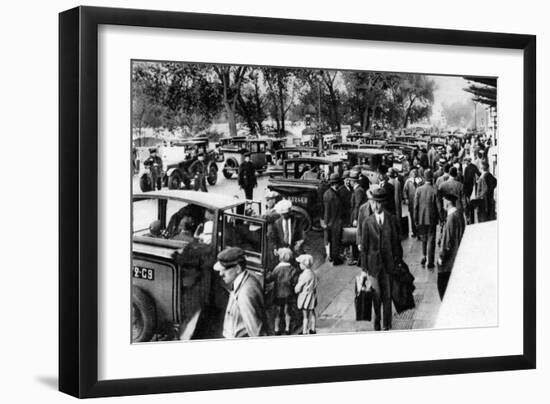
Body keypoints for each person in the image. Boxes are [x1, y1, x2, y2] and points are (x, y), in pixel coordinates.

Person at [359, 187, 402, 331]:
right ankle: (377, 323)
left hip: (389, 266)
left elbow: (396, 243)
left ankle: (387, 326)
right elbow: (364, 249)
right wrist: (364, 270)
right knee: (376, 297)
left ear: (383, 203)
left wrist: (398, 263)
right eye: (373, 203)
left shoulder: (392, 219)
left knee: (388, 297)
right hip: (373, 267)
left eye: (378, 203)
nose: (376, 206)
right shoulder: (367, 222)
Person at [213, 247, 267, 338]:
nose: (220, 274)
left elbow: (256, 332)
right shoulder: (242, 281)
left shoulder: (245, 293)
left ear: (238, 268)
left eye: (224, 269)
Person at [437, 193, 466, 299]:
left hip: (449, 261)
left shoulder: (450, 218)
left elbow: (447, 242)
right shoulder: (459, 214)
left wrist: (441, 258)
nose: (442, 203)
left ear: (448, 202)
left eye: (443, 200)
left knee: (442, 288)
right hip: (457, 256)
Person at [265, 248, 298, 335]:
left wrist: (267, 273)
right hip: (289, 294)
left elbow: (269, 279)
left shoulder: (277, 269)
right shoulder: (292, 269)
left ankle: (277, 329)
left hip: (278, 293)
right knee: (287, 312)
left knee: (277, 313)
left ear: (280, 257)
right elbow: (295, 281)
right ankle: (287, 329)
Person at [414, 169, 439, 269]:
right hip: (432, 218)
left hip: (421, 218)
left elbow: (415, 206)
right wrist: (441, 218)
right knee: (431, 239)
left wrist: (416, 219)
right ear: (432, 178)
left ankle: (424, 256)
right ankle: (430, 261)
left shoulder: (418, 190)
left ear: (424, 178)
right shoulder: (434, 190)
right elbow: (438, 206)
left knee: (424, 237)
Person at [322, 173, 345, 265]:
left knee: (334, 240)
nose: (339, 185)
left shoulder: (332, 192)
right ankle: (335, 258)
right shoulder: (330, 195)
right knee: (334, 241)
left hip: (335, 221)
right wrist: (327, 223)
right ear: (334, 183)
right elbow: (327, 211)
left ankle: (334, 256)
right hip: (333, 221)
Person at [294, 254, 318, 335]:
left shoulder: (303, 275)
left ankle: (304, 331)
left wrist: (296, 290)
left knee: (305, 315)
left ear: (304, 265)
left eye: (300, 263)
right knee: (313, 312)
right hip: (312, 295)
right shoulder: (313, 274)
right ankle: (313, 328)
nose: (299, 265)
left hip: (305, 296)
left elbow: (298, 287)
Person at [462, 156, 480, 224]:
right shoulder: (474, 166)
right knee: (472, 204)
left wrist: (464, 190)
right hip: (473, 187)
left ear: (467, 161)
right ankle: (472, 219)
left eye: (465, 161)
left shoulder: (466, 168)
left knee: (468, 204)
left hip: (468, 189)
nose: (465, 162)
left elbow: (465, 180)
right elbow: (479, 174)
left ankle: (469, 219)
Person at [403, 169, 420, 237]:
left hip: (418, 201)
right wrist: (406, 198)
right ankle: (414, 231)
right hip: (411, 201)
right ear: (411, 174)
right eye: (413, 173)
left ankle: (419, 231)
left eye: (415, 173)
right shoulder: (408, 181)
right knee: (412, 216)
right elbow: (405, 191)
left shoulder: (420, 181)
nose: (414, 174)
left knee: (418, 216)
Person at [388, 168, 403, 235]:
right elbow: (399, 195)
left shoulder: (388, 183)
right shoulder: (398, 183)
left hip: (391, 204)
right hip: (398, 204)